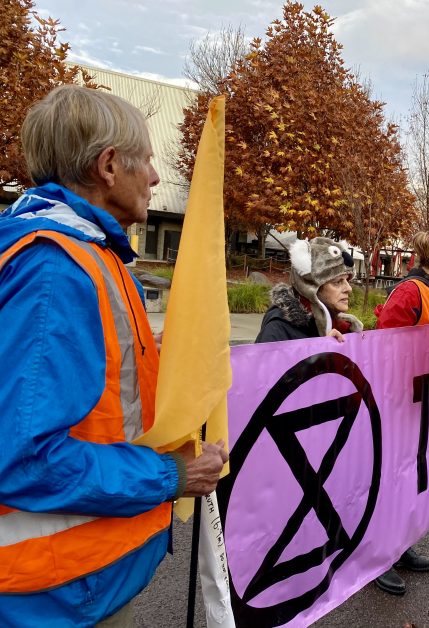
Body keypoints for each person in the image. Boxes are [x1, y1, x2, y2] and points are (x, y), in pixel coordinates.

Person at [0, 85, 228, 627]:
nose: (154, 176)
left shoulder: (86, 254)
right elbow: (25, 458)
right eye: (147, 160)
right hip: (51, 595)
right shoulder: (56, 270)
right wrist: (171, 476)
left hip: (72, 583)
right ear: (108, 166)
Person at [373, 231, 429, 595]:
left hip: (417, 399)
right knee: (389, 479)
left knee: (407, 476)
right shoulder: (409, 292)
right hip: (397, 400)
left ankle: (398, 546)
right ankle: (378, 557)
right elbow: (385, 346)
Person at [255, 237, 361, 343]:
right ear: (311, 287)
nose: (349, 288)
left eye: (347, 280)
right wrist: (321, 351)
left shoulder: (343, 326)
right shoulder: (279, 328)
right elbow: (264, 359)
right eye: (337, 282)